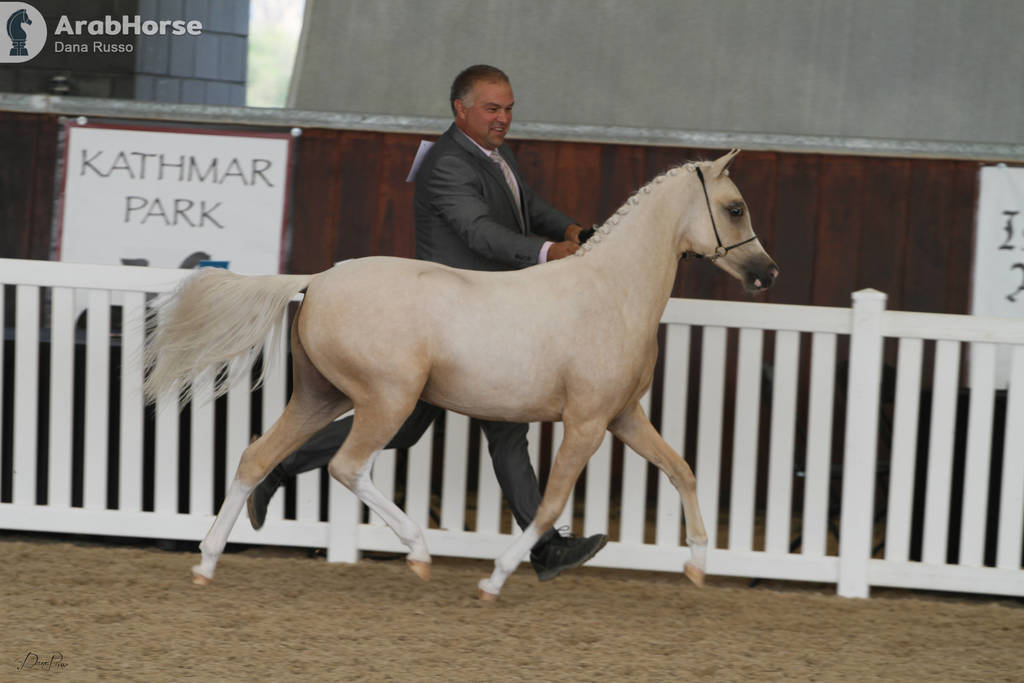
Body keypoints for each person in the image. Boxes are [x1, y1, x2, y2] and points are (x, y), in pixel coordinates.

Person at [247, 64, 608, 581]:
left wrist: (570, 227)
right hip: (454, 316)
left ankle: (543, 544)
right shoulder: (448, 164)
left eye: (508, 108)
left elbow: (526, 205)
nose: (503, 118)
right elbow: (480, 234)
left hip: (483, 314)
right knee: (471, 428)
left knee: (451, 429)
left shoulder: (490, 155)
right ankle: (544, 544)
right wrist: (552, 252)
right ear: (460, 110)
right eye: (492, 108)